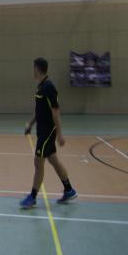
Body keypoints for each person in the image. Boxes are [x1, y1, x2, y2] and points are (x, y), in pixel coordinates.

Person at [20, 58, 78, 209]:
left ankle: (32, 197)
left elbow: (56, 111)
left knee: (38, 162)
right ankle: (69, 190)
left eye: (33, 67)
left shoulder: (49, 87)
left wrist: (60, 134)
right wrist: (30, 124)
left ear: (37, 68)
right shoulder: (40, 86)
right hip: (42, 130)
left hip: (48, 131)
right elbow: (39, 110)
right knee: (53, 160)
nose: (32, 70)